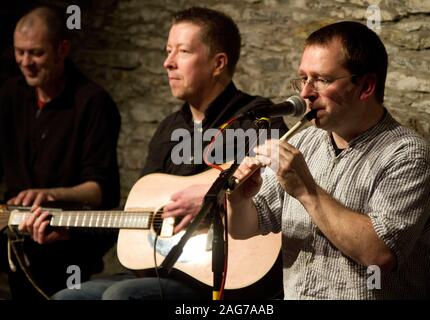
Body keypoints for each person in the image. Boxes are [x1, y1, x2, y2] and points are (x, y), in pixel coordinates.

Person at [52, 6, 287, 300]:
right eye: (167, 51)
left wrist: (211, 200)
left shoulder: (258, 119)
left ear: (218, 63)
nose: (167, 63)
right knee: (68, 297)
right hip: (163, 267)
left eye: (183, 51)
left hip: (219, 274)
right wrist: (66, 227)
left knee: (121, 296)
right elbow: (140, 214)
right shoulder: (168, 129)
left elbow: (281, 189)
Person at [227, 21, 430, 299]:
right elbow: (244, 227)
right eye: (303, 78)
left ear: (365, 86)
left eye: (322, 80)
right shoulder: (305, 141)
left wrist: (307, 189)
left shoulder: (409, 157)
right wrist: (239, 199)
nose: (305, 93)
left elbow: (379, 254)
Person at [0, 6, 121, 299]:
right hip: (16, 239)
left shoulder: (93, 103)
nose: (26, 62)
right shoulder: (10, 95)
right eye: (20, 52)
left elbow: (101, 191)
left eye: (36, 53)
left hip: (68, 244)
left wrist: (50, 194)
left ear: (62, 49)